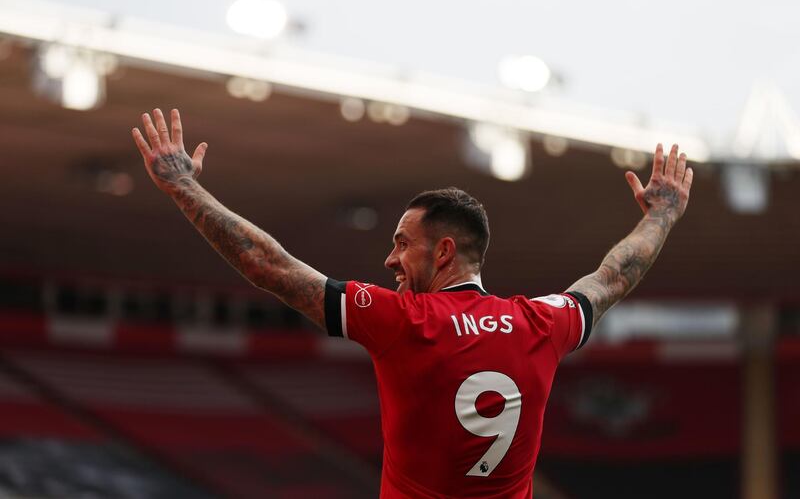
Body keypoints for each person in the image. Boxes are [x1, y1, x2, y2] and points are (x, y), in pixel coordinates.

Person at [131, 108, 693, 498]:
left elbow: (269, 267)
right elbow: (612, 277)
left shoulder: (402, 321)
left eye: (402, 243)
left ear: (443, 250)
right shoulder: (541, 322)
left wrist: (183, 185)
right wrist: (662, 212)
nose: (390, 260)